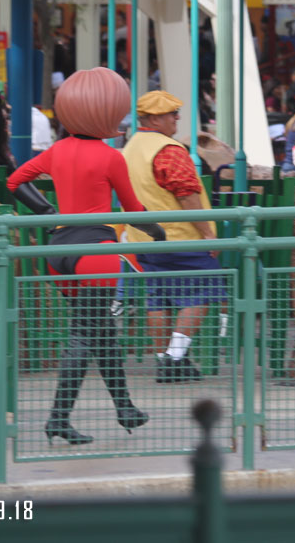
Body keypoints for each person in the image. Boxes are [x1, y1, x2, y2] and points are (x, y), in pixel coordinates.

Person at [7, 67, 163, 445]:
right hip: (95, 251)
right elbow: (131, 209)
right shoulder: (110, 158)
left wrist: (46, 213)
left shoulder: (58, 150)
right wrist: (160, 231)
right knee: (85, 333)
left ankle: (125, 408)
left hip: (58, 250)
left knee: (100, 330)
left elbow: (15, 182)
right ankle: (58, 419)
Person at [121, 90, 225, 383]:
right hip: (181, 236)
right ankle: (174, 357)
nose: (177, 118)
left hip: (144, 238)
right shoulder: (168, 149)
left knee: (159, 298)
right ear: (154, 118)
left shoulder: (130, 147)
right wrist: (208, 233)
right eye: (171, 113)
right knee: (202, 290)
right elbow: (187, 194)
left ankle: (164, 360)